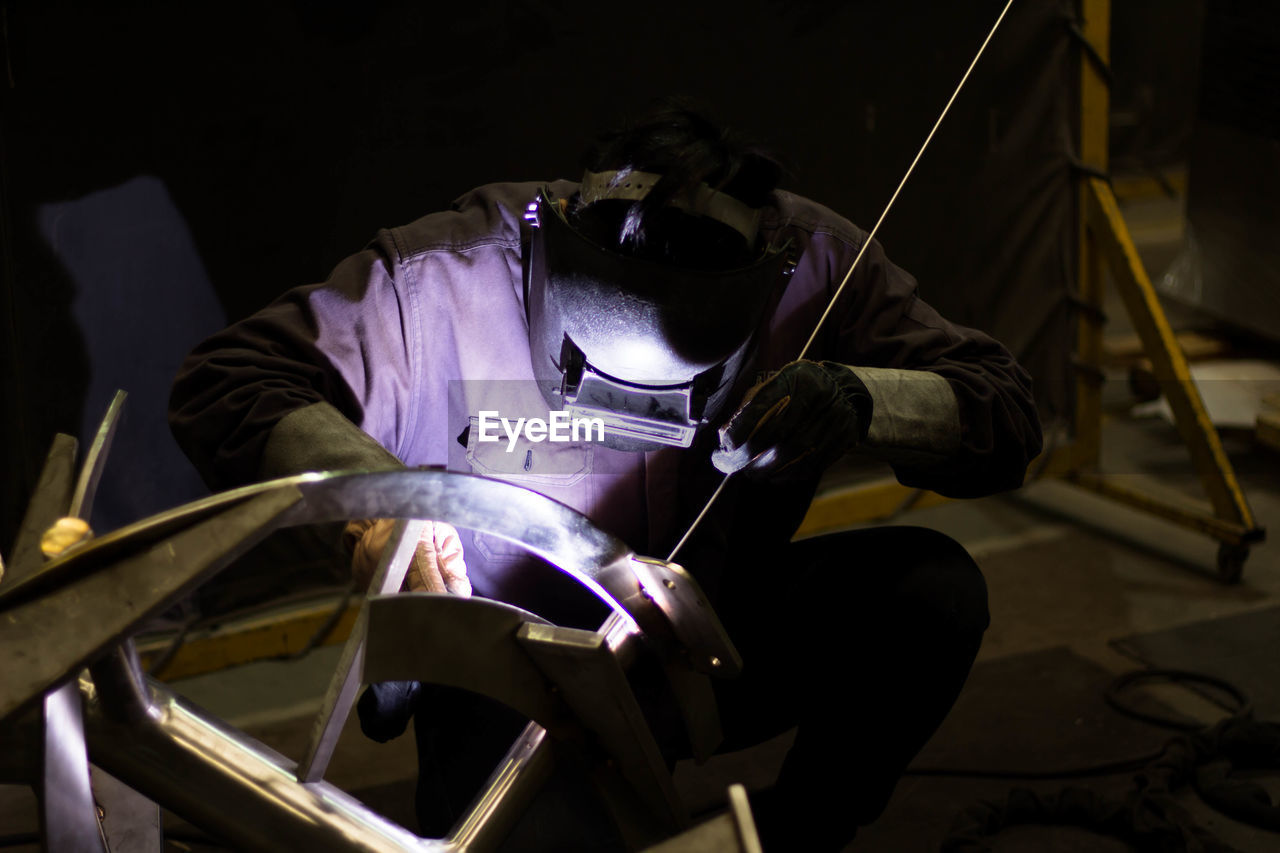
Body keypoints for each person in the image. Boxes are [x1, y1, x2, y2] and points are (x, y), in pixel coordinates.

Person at [169, 99, 1042, 850]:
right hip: (507, 677)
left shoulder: (808, 265)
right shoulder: (443, 278)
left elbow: (1002, 410)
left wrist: (863, 398)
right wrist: (383, 509)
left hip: (709, 639)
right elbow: (227, 380)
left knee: (933, 593)